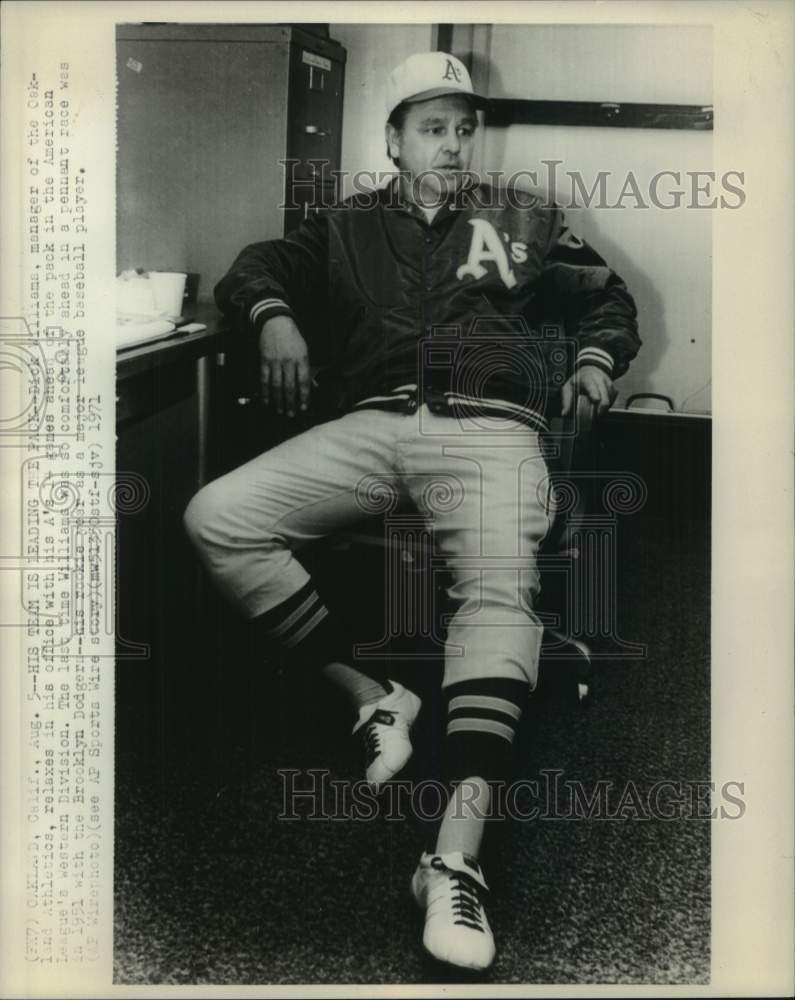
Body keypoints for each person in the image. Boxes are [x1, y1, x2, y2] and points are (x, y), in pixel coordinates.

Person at [184, 50, 640, 972]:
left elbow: (609, 300)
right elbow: (254, 268)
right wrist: (273, 313)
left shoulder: (521, 214)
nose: (453, 144)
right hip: (374, 424)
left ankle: (452, 861)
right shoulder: (344, 225)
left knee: (497, 596)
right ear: (391, 140)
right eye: (432, 127)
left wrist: (595, 361)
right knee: (218, 515)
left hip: (488, 426)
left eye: (464, 127)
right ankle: (373, 694)